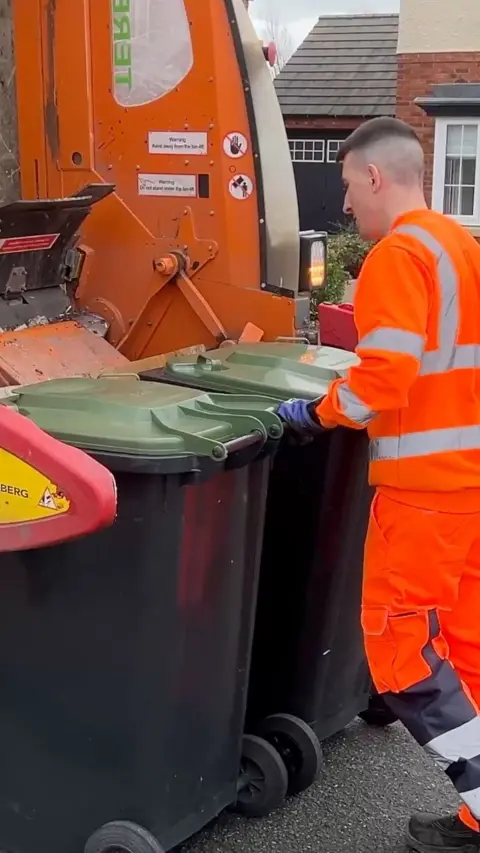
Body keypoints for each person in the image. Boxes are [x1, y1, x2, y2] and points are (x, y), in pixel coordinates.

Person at [277, 116, 480, 853]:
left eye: (346, 187)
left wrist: (314, 411)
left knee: (397, 650)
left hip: (423, 489)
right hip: (469, 486)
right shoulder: (461, 245)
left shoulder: (399, 254)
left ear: (375, 177)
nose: (346, 206)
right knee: (466, 644)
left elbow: (381, 381)